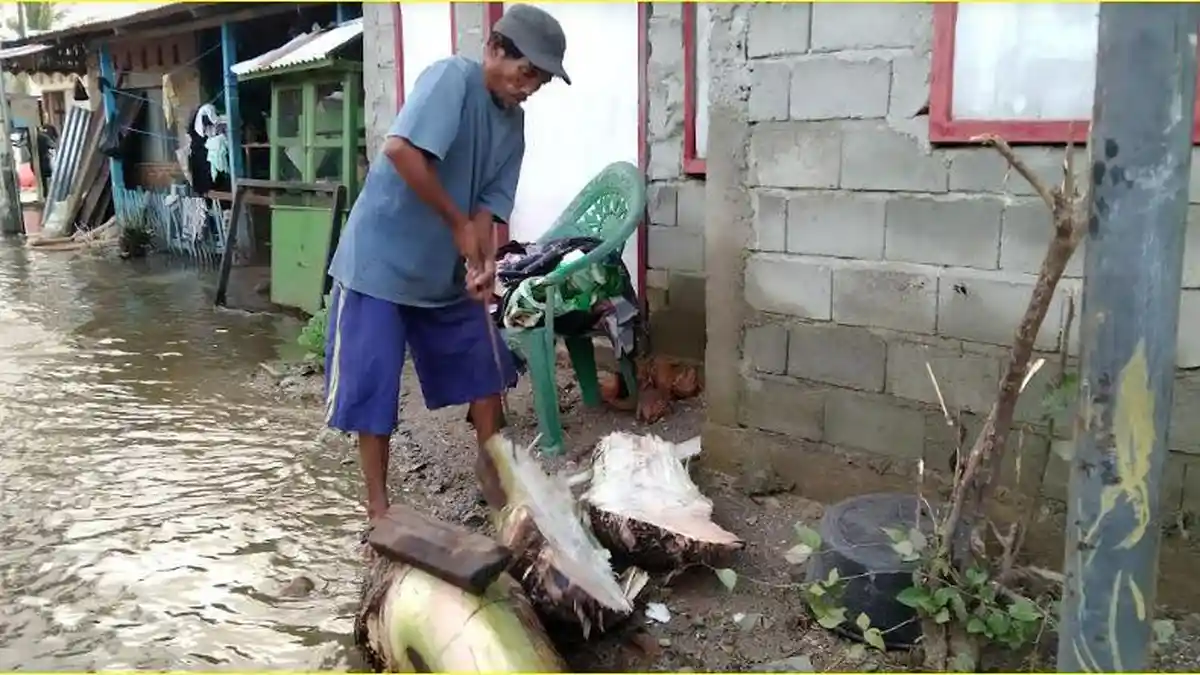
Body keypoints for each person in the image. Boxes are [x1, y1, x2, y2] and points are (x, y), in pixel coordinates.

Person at [323, 4, 570, 525]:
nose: (528, 88)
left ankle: (497, 482)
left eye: (540, 81)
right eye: (526, 72)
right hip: (378, 265)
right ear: (494, 50)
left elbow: (488, 207)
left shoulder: (513, 124)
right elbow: (401, 151)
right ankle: (378, 511)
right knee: (373, 389)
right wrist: (457, 224)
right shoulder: (453, 78)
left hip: (440, 273)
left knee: (485, 367)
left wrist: (482, 260)